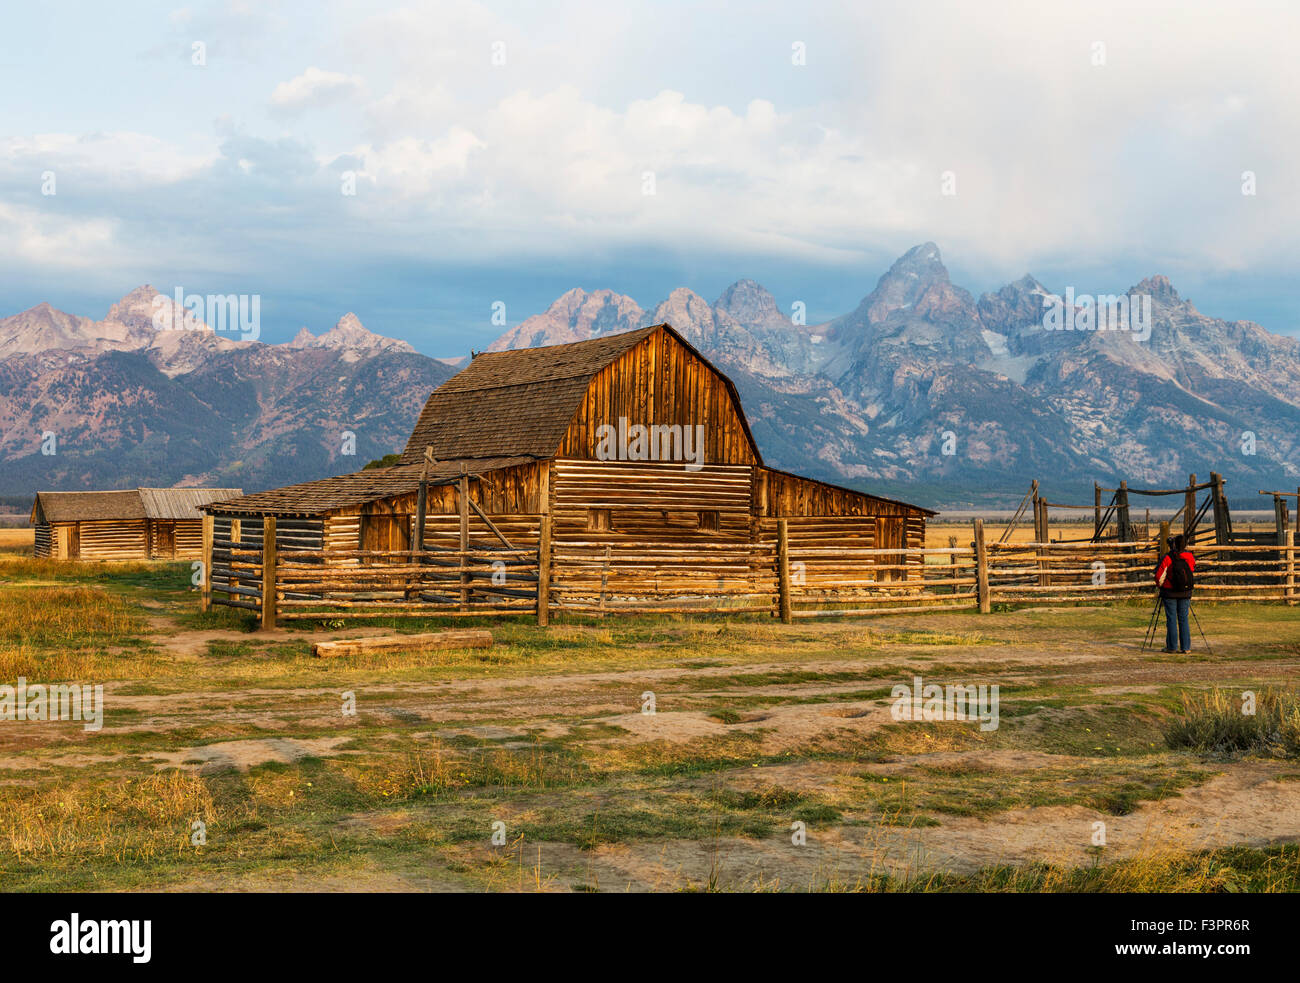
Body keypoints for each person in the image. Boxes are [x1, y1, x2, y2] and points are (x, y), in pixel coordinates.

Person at [1154, 533, 1195, 653]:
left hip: (1170, 592)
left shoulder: (1168, 557)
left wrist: (1160, 586)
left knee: (1171, 619)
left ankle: (1171, 647)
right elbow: (1191, 571)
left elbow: (1159, 576)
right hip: (1185, 591)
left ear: (1174, 544)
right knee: (1183, 619)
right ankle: (1186, 647)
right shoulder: (1190, 557)